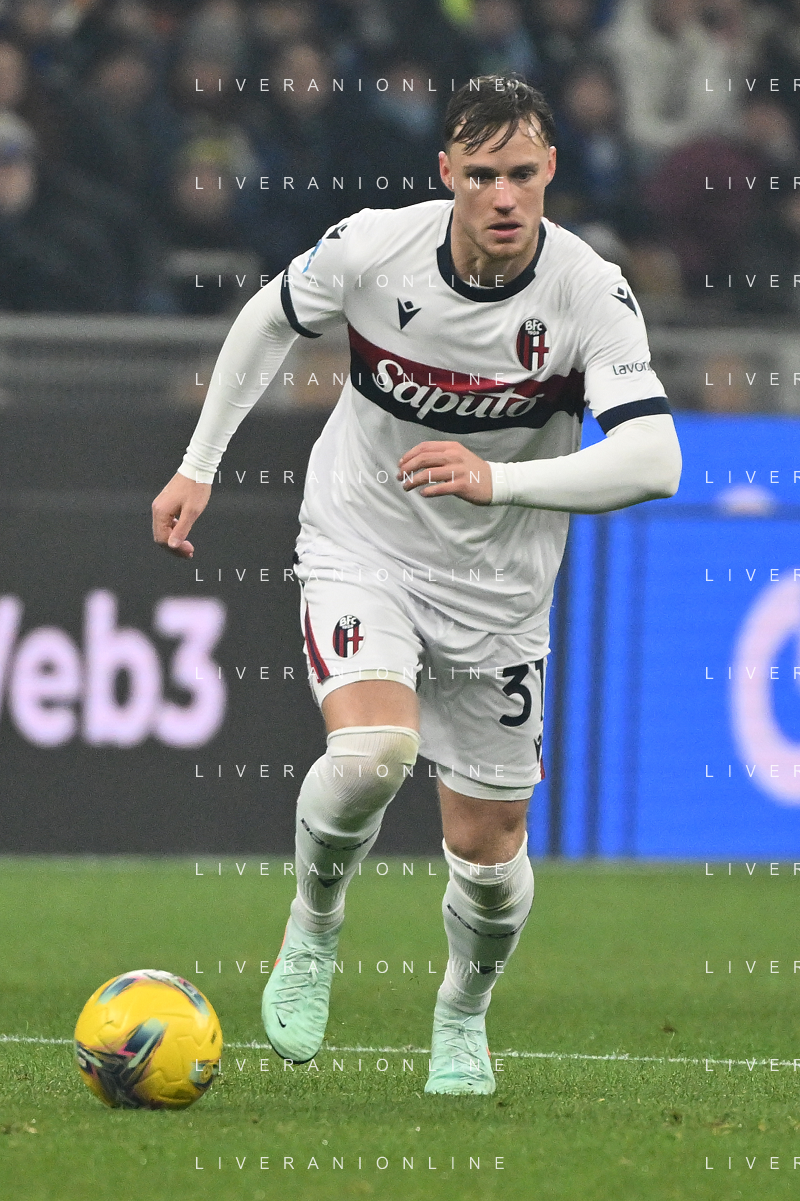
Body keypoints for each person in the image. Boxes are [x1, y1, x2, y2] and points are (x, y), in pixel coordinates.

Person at [151, 75, 682, 1095]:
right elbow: (268, 317)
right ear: (446, 173)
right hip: (364, 542)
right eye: (479, 175)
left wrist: (499, 480)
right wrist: (199, 463)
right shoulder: (372, 249)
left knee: (489, 857)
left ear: (550, 170)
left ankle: (461, 1015)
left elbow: (655, 461)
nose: (502, 196)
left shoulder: (587, 293)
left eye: (520, 173)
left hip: (498, 593)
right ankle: (313, 927)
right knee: (372, 753)